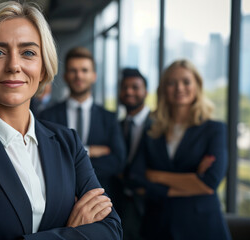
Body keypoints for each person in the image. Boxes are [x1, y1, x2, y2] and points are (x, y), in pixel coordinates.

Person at [0, 2, 122, 239]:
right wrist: (72, 232)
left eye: (28, 52)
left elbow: (111, 230)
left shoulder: (67, 142)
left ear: (42, 68)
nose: (13, 66)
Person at [129, 59, 232, 240]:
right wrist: (192, 180)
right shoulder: (152, 129)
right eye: (171, 82)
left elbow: (210, 182)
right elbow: (136, 178)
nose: (179, 88)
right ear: (163, 89)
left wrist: (157, 176)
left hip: (201, 227)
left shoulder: (214, 129)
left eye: (186, 81)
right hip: (157, 226)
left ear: (197, 86)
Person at [39, 47, 126, 195]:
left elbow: (118, 161)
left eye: (84, 70)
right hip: (59, 197)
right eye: (73, 70)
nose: (78, 75)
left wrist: (68, 162)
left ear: (94, 76)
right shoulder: (47, 116)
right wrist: (90, 151)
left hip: (100, 197)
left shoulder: (109, 118)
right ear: (65, 76)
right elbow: (45, 158)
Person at [116, 68, 151, 240]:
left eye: (135, 87)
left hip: (151, 207)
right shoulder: (116, 125)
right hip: (119, 207)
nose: (129, 91)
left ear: (146, 92)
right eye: (125, 87)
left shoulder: (159, 125)